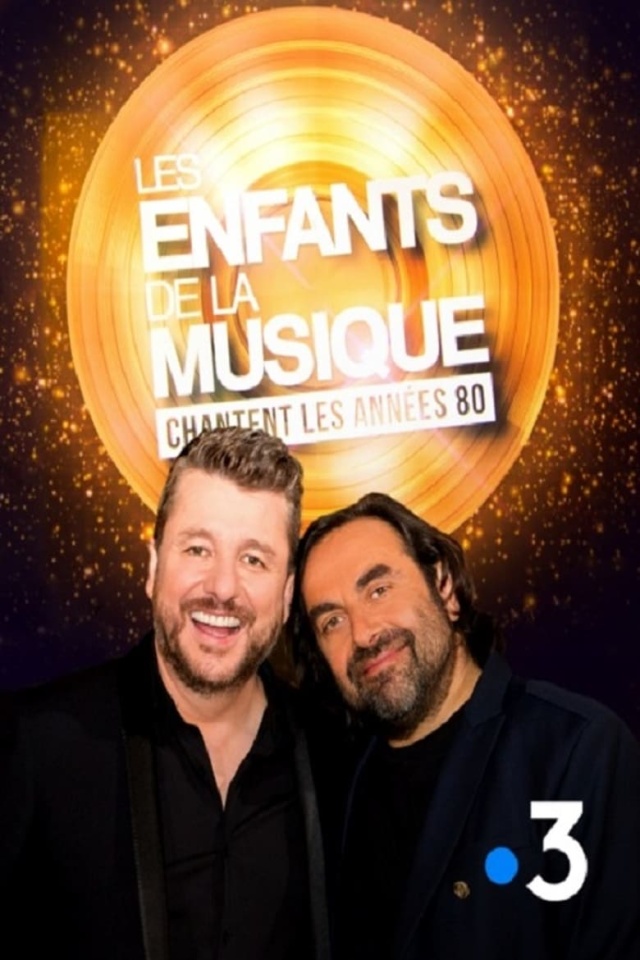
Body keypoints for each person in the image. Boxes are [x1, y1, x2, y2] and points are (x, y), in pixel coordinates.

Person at [0, 427, 330, 960]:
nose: (223, 587)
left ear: (288, 592)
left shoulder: (334, 751)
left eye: (254, 559)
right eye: (198, 549)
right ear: (154, 568)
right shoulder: (39, 745)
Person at [289, 491, 640, 960]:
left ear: (445, 589)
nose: (363, 633)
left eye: (378, 590)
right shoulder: (334, 789)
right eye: (332, 620)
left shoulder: (574, 750)